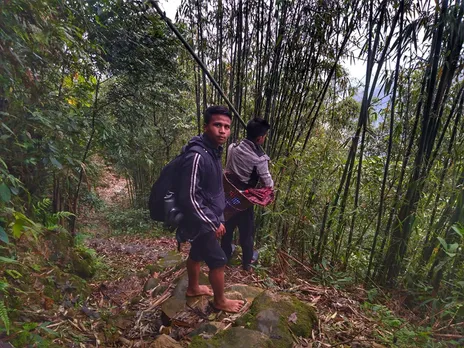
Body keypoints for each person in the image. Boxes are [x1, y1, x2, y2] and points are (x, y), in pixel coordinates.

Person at [176, 105, 244, 313]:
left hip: (207, 216)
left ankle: (193, 288)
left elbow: (213, 191)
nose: (222, 130)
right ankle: (220, 301)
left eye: (226, 126)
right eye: (217, 125)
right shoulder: (197, 156)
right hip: (199, 219)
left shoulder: (213, 151)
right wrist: (212, 222)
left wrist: (219, 217)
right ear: (206, 127)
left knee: (197, 253)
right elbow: (188, 197)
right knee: (218, 260)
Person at [221, 117, 274, 271]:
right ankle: (247, 262)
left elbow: (228, 169)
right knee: (247, 232)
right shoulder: (260, 159)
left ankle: (224, 256)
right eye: (264, 136)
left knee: (228, 227)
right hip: (243, 201)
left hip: (229, 197)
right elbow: (268, 184)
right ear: (260, 138)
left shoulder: (232, 147)